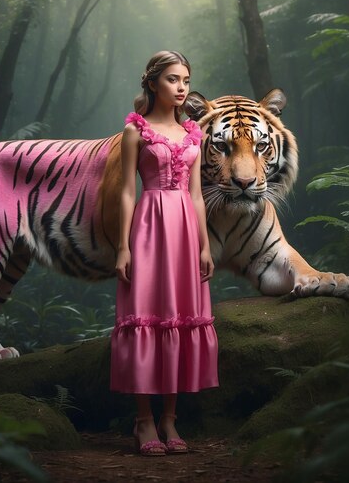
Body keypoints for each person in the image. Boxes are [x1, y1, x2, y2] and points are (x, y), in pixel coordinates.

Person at [110, 50, 219, 456]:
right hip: (149, 226)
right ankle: (143, 421)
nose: (181, 88)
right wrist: (123, 246)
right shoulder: (135, 131)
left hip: (186, 230)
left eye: (186, 81)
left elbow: (197, 196)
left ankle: (170, 418)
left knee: (178, 315)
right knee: (147, 314)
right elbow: (125, 192)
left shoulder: (194, 133)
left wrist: (205, 245)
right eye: (173, 79)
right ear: (153, 82)